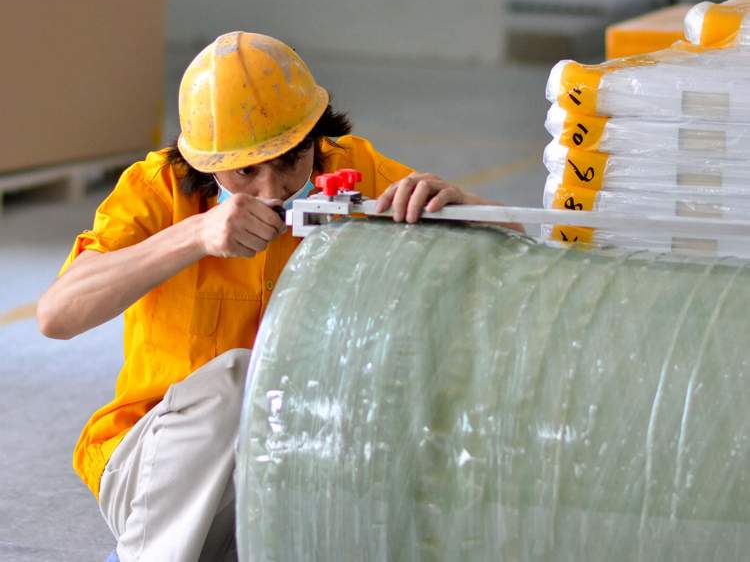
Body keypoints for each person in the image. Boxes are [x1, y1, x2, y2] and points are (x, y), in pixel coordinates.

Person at [37, 31, 500, 562]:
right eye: (245, 171)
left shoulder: (353, 172)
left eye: (291, 159)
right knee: (241, 381)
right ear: (205, 162)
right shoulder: (156, 191)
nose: (273, 190)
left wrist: (465, 208)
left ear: (316, 139)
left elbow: (526, 252)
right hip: (159, 475)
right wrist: (195, 236)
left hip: (291, 469)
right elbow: (57, 315)